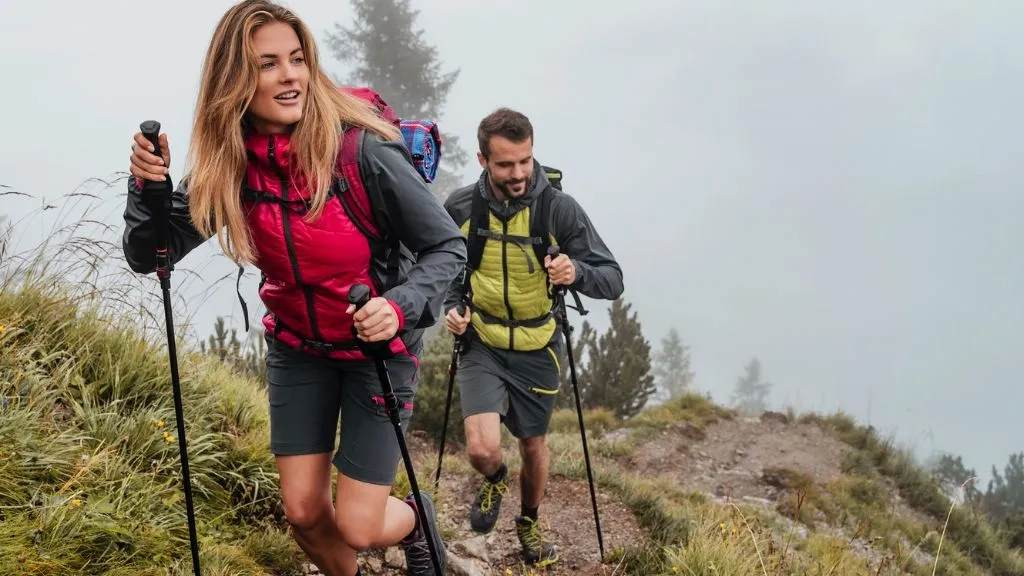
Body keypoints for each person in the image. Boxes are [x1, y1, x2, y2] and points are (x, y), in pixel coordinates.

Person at [122, 2, 465, 575]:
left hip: (378, 348)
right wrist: (147, 191)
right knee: (304, 514)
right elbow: (151, 254)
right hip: (300, 346)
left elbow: (448, 248)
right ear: (233, 80)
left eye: (298, 60)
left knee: (357, 524)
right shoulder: (229, 163)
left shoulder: (362, 151)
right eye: (268, 64)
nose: (290, 76)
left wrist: (398, 308)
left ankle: (415, 518)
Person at [442, 108, 623, 566]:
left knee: (533, 444)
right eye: (506, 164)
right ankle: (496, 478)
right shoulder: (463, 207)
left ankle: (528, 521)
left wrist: (575, 270)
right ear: (484, 160)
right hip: (482, 340)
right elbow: (442, 263)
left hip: (539, 345)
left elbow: (613, 279)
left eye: (525, 161)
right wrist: (451, 306)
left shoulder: (557, 208)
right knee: (482, 449)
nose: (519, 173)